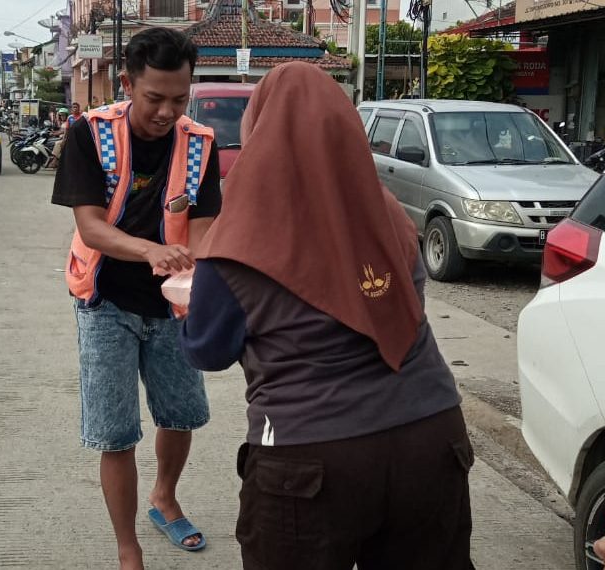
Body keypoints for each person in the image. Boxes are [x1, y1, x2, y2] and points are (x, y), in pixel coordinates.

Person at [179, 62, 474, 570]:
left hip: (308, 458)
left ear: (258, 131)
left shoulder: (235, 244)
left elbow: (206, 350)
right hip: (431, 436)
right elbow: (403, 309)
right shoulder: (389, 217)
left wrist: (186, 304)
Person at [51, 27, 221, 570]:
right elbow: (91, 227)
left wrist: (195, 266)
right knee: (116, 431)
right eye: (155, 98)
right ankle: (129, 549)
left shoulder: (200, 144)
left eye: (180, 98)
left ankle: (164, 497)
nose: (168, 111)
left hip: (173, 305)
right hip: (106, 302)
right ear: (127, 84)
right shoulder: (89, 134)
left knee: (181, 415)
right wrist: (150, 250)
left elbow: (205, 227)